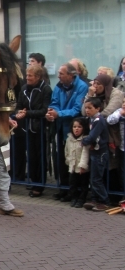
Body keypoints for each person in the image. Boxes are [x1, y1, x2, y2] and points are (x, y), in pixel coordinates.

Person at [46, 63, 88, 201]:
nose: (58, 76)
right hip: (60, 128)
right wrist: (52, 111)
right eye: (58, 73)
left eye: (61, 74)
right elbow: (54, 102)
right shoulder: (59, 86)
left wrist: (59, 113)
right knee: (61, 159)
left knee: (73, 161)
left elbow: (77, 109)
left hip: (73, 129)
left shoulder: (81, 87)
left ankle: (73, 192)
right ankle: (62, 188)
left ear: (71, 75)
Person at [15, 64, 52, 197]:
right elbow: (19, 105)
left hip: (41, 129)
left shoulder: (46, 89)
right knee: (31, 156)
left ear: (37, 77)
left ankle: (40, 185)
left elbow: (44, 110)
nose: (27, 78)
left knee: (40, 156)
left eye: (30, 76)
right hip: (28, 128)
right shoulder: (24, 89)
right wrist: (19, 112)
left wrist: (27, 113)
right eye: (27, 75)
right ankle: (33, 181)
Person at [82, 97, 110, 211]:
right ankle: (94, 199)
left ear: (98, 108)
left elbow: (93, 136)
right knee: (93, 177)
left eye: (90, 108)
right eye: (86, 108)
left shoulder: (99, 120)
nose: (87, 110)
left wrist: (84, 141)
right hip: (94, 151)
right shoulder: (91, 119)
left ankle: (104, 201)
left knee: (97, 178)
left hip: (100, 152)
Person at [65, 117, 90, 208]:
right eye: (74, 127)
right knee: (72, 183)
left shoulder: (85, 139)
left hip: (81, 167)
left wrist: (83, 166)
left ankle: (82, 199)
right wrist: (68, 160)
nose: (76, 129)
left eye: (79, 127)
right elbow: (67, 151)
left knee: (84, 184)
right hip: (72, 165)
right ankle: (74, 198)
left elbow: (85, 153)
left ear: (83, 128)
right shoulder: (69, 139)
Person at [107, 96, 125, 204]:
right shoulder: (119, 111)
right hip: (122, 148)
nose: (124, 104)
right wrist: (120, 114)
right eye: (123, 102)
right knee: (123, 172)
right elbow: (110, 120)